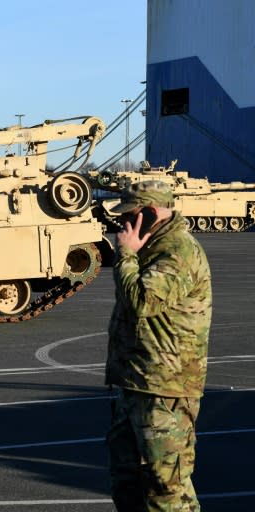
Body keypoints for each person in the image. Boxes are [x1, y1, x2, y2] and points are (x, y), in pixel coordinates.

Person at [105, 180, 212, 511]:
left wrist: (125, 253)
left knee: (166, 487)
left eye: (129, 216)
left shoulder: (177, 252)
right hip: (135, 381)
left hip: (165, 389)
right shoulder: (151, 247)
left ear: (150, 214)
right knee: (127, 480)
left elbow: (142, 301)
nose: (122, 225)